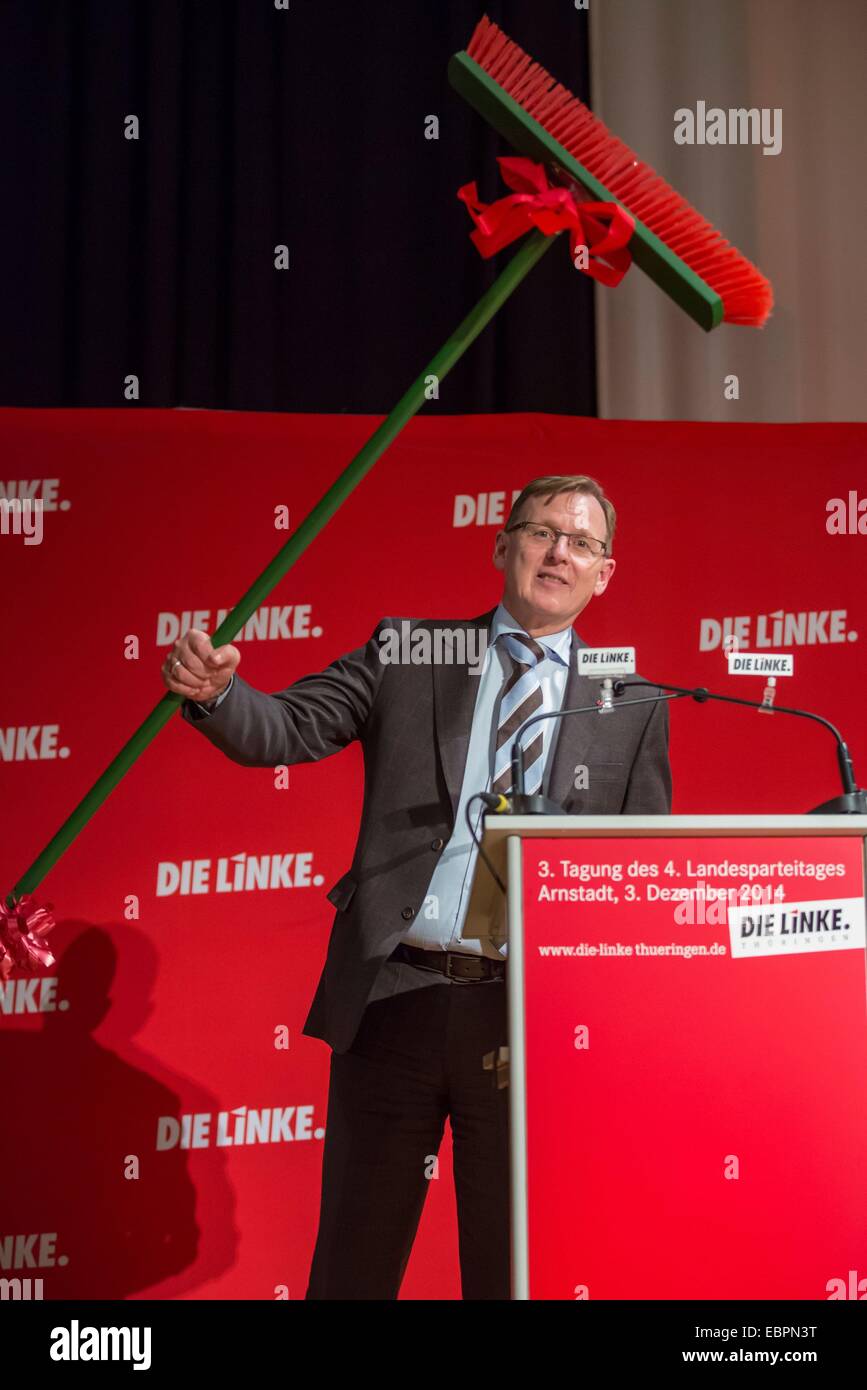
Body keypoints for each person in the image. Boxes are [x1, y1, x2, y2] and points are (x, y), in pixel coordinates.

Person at [160, 474, 672, 1299]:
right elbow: (285, 727)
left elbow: (633, 875)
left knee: (513, 1276)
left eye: (579, 542)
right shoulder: (410, 652)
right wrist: (220, 693)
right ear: (502, 546)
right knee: (354, 1269)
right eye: (540, 532)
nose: (557, 553)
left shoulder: (633, 704)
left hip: (526, 1023)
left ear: (603, 574)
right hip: (395, 999)